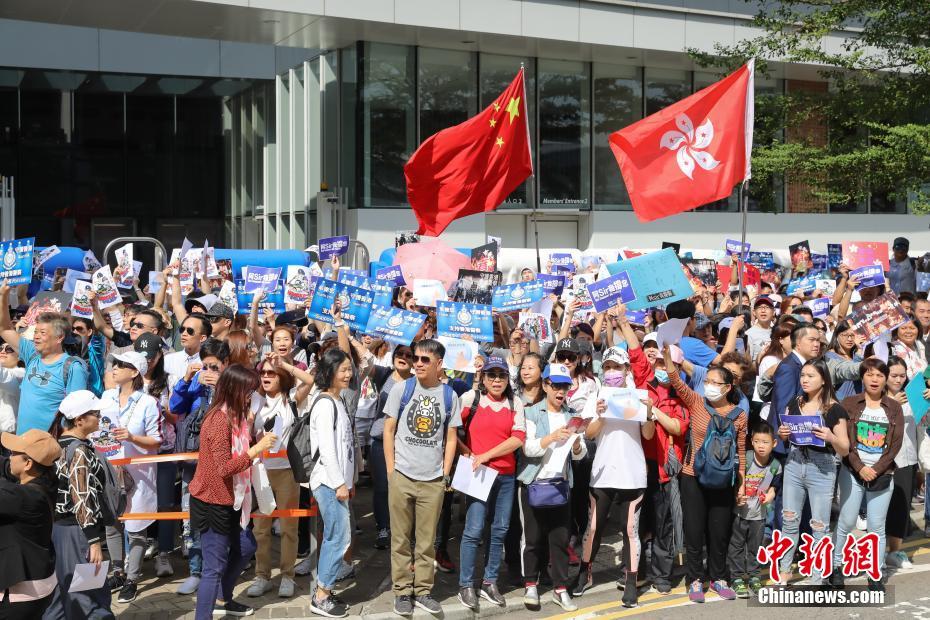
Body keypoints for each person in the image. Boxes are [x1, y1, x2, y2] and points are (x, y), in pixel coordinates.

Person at [189, 364, 276, 619]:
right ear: (234, 389)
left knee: (247, 547)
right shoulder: (218, 420)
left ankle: (223, 598)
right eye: (248, 390)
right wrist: (255, 449)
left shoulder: (237, 416)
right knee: (212, 568)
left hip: (235, 500)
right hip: (212, 501)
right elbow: (223, 468)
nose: (252, 396)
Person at [383, 339, 462, 617]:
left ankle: (424, 591)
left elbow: (451, 437)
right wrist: (391, 470)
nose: (417, 363)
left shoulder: (450, 396)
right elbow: (388, 430)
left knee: (427, 542)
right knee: (401, 539)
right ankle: (403, 591)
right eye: (415, 358)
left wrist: (445, 472)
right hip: (402, 476)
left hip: (432, 480)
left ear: (439, 364)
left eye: (424, 360)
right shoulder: (401, 390)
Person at [575, 346, 656, 609]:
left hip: (633, 475)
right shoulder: (598, 395)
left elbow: (648, 435)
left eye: (617, 367)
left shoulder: (638, 396)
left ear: (626, 370)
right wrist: (599, 413)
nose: (612, 372)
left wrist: (648, 413)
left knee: (630, 530)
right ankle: (584, 573)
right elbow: (589, 434)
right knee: (594, 527)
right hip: (602, 473)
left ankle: (631, 583)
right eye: (607, 367)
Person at [665, 345, 746, 603]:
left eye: (715, 382)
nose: (709, 385)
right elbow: (677, 381)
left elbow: (741, 452)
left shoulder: (739, 415)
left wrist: (741, 484)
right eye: (707, 381)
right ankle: (695, 579)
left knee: (719, 531)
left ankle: (719, 578)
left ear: (727, 387)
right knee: (694, 530)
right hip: (692, 476)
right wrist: (668, 357)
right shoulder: (697, 402)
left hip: (724, 479)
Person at [518, 363, 591, 613]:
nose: (561, 391)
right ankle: (531, 584)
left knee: (559, 539)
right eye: (556, 385)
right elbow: (527, 449)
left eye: (565, 386)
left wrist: (577, 447)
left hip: (561, 485)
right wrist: (551, 438)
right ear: (546, 385)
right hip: (533, 483)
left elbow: (580, 455)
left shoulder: (572, 415)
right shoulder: (531, 412)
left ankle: (560, 589)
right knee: (533, 539)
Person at [455, 356, 526, 610]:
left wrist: (486, 455)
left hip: (505, 476)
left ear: (508, 379)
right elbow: (451, 430)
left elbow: (518, 438)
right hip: (478, 475)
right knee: (473, 530)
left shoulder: (514, 402)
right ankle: (466, 584)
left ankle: (489, 581)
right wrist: (466, 452)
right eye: (492, 375)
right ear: (483, 378)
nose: (497, 380)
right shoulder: (470, 399)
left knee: (500, 530)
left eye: (502, 375)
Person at [775, 359, 849, 585]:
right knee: (789, 520)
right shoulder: (795, 402)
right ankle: (785, 570)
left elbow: (845, 448)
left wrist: (830, 437)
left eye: (811, 376)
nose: (805, 380)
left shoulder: (835, 408)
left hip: (823, 468)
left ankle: (818, 576)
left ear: (824, 380)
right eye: (803, 376)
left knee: (819, 525)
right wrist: (783, 433)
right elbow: (785, 435)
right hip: (795, 463)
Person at [834, 359, 904, 591]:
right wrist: (859, 466)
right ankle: (835, 569)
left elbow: (895, 445)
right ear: (862, 377)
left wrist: (876, 469)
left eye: (879, 375)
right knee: (845, 521)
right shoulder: (849, 403)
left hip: (882, 474)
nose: (874, 379)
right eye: (870, 374)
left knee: (876, 526)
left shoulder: (894, 408)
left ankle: (875, 574)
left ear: (885, 379)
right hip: (852, 471)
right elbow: (846, 440)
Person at [45, 390, 115, 620]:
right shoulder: (80, 451)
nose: (100, 417)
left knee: (60, 597)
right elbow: (82, 496)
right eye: (95, 413)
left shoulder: (57, 445)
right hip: (78, 533)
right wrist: (93, 540)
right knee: (89, 596)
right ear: (79, 420)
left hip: (59, 531)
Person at [99, 351, 162, 603]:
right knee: (111, 524)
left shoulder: (147, 402)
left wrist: (132, 437)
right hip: (110, 469)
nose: (114, 369)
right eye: (113, 364)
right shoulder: (106, 397)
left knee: (136, 527)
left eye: (120, 365)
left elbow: (157, 440)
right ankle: (117, 571)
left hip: (139, 473)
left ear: (134, 372)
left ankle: (133, 578)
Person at [169, 337, 230, 596]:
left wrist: (221, 388)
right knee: (192, 517)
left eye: (215, 366)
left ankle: (218, 572)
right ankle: (196, 571)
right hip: (194, 460)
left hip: (223, 462)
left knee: (222, 519)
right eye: (205, 366)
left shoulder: (233, 383)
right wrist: (186, 381)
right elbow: (174, 407)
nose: (209, 372)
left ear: (226, 364)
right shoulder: (194, 382)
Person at [247, 356, 309, 599]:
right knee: (260, 528)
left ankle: (287, 576)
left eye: (272, 373)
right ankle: (262, 575)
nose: (266, 376)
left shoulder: (290, 398)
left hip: (286, 470)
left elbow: (311, 380)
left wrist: (284, 364)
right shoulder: (254, 400)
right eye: (263, 372)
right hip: (259, 469)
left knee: (288, 527)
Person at [0, 282, 89, 434]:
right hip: (21, 444)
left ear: (59, 337)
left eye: (42, 333)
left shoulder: (73, 367)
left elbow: (76, 413)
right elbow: (5, 329)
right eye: (35, 332)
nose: (36, 337)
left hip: (50, 449)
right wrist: (3, 296)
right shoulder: (31, 354)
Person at [308, 349, 356, 619]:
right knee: (338, 537)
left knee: (338, 536)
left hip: (337, 482)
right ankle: (321, 595)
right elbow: (327, 448)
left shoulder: (336, 400)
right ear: (329, 372)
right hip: (328, 481)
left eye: (349, 369)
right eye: (343, 370)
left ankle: (325, 588)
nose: (348, 374)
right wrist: (339, 483)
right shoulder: (325, 403)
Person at [0, 429, 61, 619]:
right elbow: (5, 467)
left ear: (28, 463)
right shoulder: (46, 482)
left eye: (13, 453)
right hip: (39, 583)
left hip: (21, 594)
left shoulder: (22, 497)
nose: (9, 456)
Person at [368, 345, 414, 551]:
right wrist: (345, 328)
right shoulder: (383, 374)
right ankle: (384, 528)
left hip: (406, 444)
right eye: (399, 354)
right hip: (379, 440)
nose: (403, 358)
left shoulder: (417, 381)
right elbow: (365, 358)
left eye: (408, 355)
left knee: (405, 489)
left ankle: (405, 530)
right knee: (382, 487)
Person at [728, 422, 781, 598]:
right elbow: (734, 481)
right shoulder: (746, 458)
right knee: (736, 545)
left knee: (755, 547)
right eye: (757, 441)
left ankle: (754, 576)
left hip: (759, 515)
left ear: (774, 443)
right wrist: (736, 495)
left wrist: (771, 495)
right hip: (739, 512)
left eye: (765, 442)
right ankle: (736, 577)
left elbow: (774, 487)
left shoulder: (776, 466)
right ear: (752, 441)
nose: (761, 445)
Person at [885, 356, 921, 569]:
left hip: (906, 458)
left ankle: (895, 551)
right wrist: (891, 404)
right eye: (894, 375)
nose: (899, 380)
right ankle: (874, 552)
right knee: (879, 508)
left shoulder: (913, 396)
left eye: (902, 375)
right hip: (879, 460)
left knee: (901, 507)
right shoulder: (875, 396)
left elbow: (922, 426)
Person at [163, 314, 211, 389]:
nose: (184, 334)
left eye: (190, 331)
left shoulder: (209, 364)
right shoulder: (168, 359)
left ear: (202, 338)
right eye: (182, 329)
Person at [891, 314, 927, 379]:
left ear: (918, 329)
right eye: (903, 328)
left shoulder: (919, 345)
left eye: (912, 328)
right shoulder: (898, 349)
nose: (908, 331)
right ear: (897, 330)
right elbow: (908, 377)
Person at [0, 337, 24, 433]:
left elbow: (3, 376)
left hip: (10, 436)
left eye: (9, 349)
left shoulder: (21, 374)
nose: (3, 351)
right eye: (0, 348)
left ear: (19, 356)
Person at [745, 297, 776, 362]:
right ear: (754, 312)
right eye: (759, 307)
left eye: (767, 307)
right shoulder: (748, 334)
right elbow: (748, 364)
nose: (763, 310)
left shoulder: (777, 332)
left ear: (773, 312)